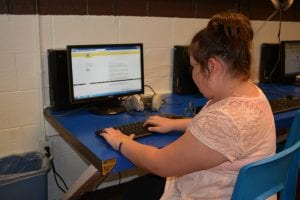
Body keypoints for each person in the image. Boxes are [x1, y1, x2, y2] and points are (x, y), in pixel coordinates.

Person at [101, 11, 276, 200]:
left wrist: (122, 142)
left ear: (212, 66)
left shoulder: (226, 119)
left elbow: (161, 164)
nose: (192, 74)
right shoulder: (250, 92)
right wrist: (176, 124)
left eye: (193, 66)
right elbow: (225, 133)